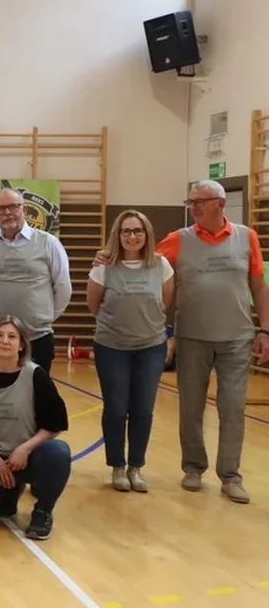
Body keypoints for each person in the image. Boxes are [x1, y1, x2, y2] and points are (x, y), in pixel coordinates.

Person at [130, 180, 266, 502]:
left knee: (232, 408)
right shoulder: (179, 239)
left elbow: (259, 285)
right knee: (191, 406)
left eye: (200, 201)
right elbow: (144, 262)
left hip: (237, 338)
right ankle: (193, 467)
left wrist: (265, 330)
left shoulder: (247, 236)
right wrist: (111, 258)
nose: (194, 207)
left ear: (220, 203)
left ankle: (230, 475)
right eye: (190, 202)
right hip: (192, 337)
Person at [0, 316, 71, 541]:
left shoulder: (36, 375)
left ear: (21, 345)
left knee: (58, 452)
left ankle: (43, 511)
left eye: (12, 336)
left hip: (28, 455)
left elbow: (55, 425)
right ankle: (9, 491)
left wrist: (25, 449)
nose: (5, 341)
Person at [87, 210, 173, 492]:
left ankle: (136, 467)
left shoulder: (161, 265)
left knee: (143, 410)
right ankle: (117, 466)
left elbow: (164, 303)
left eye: (138, 230)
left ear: (146, 234)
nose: (132, 236)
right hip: (112, 347)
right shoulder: (104, 266)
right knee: (115, 408)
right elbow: (94, 305)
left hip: (150, 348)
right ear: (118, 235)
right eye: (126, 231)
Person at [0, 188, 72, 372]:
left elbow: (63, 287)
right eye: (1, 209)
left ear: (24, 209)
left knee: (35, 387)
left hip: (36, 336)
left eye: (13, 206)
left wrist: (42, 317)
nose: (7, 212)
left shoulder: (48, 243)